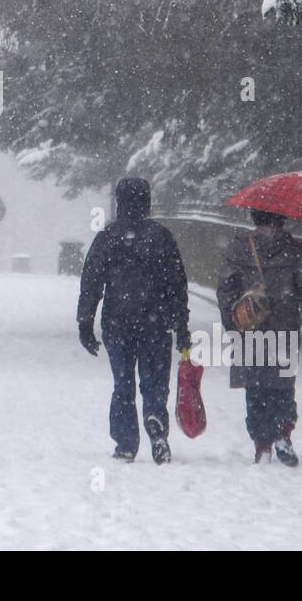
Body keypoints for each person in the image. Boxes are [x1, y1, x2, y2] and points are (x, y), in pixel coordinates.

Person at [77, 177, 190, 464]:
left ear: (119, 201)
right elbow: (177, 285)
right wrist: (181, 325)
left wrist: (85, 323)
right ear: (147, 202)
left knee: (123, 384)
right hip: (155, 322)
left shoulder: (107, 237)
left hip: (118, 322)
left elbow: (92, 282)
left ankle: (126, 443)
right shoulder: (161, 237)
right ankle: (155, 420)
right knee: (154, 381)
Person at [216, 208, 302, 466]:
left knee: (255, 387)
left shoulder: (239, 249)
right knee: (283, 385)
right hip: (284, 328)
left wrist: (233, 323)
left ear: (254, 218)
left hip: (250, 329)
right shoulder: (294, 251)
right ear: (282, 219)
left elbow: (225, 290)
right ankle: (283, 433)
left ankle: (262, 445)